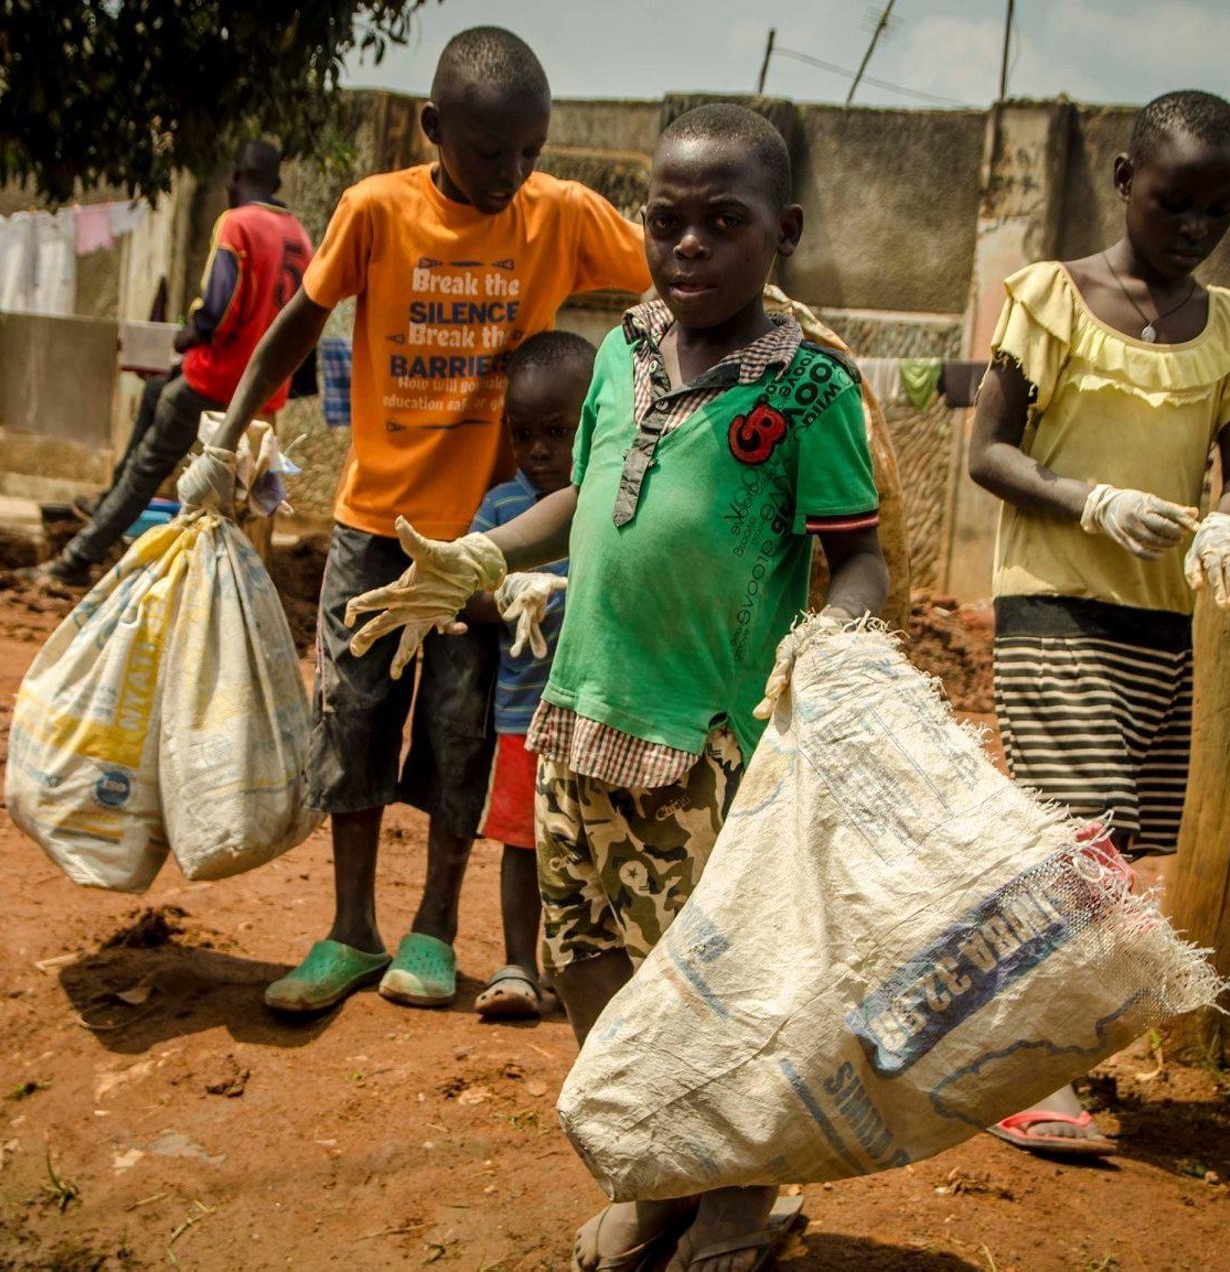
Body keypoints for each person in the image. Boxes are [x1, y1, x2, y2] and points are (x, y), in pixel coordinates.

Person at [337, 103, 888, 1272]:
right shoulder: (625, 354)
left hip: (709, 743)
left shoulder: (807, 390)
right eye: (668, 221)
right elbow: (579, 505)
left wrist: (826, 644)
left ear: (781, 232)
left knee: (719, 977)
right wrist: (485, 556)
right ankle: (656, 1175)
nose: (688, 246)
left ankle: (742, 1192)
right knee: (591, 958)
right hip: (573, 716)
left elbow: (866, 561)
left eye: (722, 223)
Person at [179, 27, 652, 1014]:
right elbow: (292, 329)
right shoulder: (374, 211)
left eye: (532, 150)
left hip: (483, 546)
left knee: (461, 731)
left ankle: (434, 931)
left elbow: (684, 282)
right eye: (491, 153)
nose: (513, 172)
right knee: (350, 723)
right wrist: (223, 440)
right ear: (436, 129)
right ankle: (351, 930)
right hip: (374, 530)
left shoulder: (558, 215)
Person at [966, 90, 1230, 1157]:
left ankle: (1046, 1049)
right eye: (1172, 202)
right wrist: (1089, 499)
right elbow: (988, 452)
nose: (1193, 228)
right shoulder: (1052, 298)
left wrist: (1227, 526)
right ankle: (1022, 1071)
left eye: (1215, 211)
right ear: (1121, 181)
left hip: (1160, 620)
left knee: (1122, 846)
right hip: (1056, 602)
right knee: (1080, 831)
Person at [20, 138, 312, 587]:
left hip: (215, 380)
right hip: (263, 393)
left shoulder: (237, 224)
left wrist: (185, 337)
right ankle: (105, 503)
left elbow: (217, 310)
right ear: (275, 181)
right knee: (160, 397)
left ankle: (75, 561)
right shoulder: (300, 235)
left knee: (147, 470)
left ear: (235, 179)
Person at [465, 331, 592, 1020]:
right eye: (523, 435)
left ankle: (574, 967)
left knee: (585, 845)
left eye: (556, 432)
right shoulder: (500, 511)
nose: (538, 450)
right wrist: (505, 594)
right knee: (520, 841)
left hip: (597, 716)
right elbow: (465, 593)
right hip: (522, 715)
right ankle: (516, 961)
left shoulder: (606, 505)